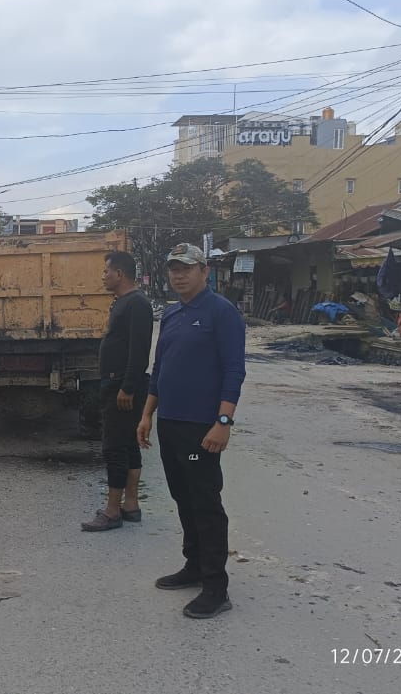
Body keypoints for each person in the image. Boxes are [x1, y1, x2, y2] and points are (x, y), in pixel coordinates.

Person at [137, 243, 246, 619]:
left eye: (186, 268)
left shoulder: (222, 312)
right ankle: (194, 565)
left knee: (205, 502)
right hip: (169, 422)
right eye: (173, 269)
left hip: (203, 427)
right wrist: (147, 414)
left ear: (205, 271)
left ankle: (216, 587)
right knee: (183, 497)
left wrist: (224, 422)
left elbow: (235, 370)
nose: (178, 275)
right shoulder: (172, 314)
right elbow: (160, 367)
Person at [82, 251, 153, 532]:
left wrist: (127, 387)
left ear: (119, 274)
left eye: (106, 271)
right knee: (127, 444)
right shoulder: (123, 302)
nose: (103, 276)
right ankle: (131, 505)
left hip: (122, 387)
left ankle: (112, 511)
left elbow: (139, 352)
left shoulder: (136, 304)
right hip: (118, 384)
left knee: (114, 447)